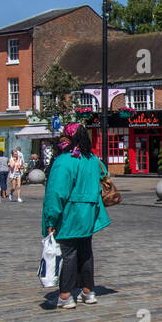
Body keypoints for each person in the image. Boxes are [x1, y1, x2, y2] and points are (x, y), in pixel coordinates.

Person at [42, 123, 110, 308]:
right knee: (85, 252)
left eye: (65, 135)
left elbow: (56, 193)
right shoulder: (92, 159)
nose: (62, 138)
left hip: (69, 213)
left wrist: (50, 220)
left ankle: (65, 294)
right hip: (89, 212)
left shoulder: (63, 161)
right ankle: (88, 291)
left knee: (68, 254)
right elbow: (104, 174)